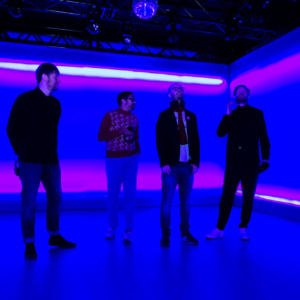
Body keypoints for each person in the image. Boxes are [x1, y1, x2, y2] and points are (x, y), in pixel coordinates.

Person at [7, 63, 76, 260]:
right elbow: (12, 128)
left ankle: (54, 235)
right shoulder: (25, 100)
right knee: (29, 202)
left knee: (56, 197)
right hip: (29, 161)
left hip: (51, 161)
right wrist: (20, 154)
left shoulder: (55, 105)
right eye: (57, 76)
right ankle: (29, 243)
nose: (59, 80)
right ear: (45, 77)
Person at [206, 84, 270, 241]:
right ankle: (219, 229)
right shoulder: (231, 115)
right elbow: (220, 133)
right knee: (227, 195)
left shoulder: (257, 113)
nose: (241, 94)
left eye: (243, 92)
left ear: (248, 95)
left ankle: (243, 227)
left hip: (251, 162)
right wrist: (227, 114)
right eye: (238, 92)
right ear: (235, 96)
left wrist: (266, 158)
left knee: (248, 196)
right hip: (233, 162)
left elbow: (264, 136)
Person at [156, 83, 200, 247]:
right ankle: (166, 234)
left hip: (188, 166)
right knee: (167, 202)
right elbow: (160, 141)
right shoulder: (164, 116)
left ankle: (185, 233)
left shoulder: (191, 116)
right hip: (171, 167)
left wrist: (196, 162)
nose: (178, 91)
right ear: (169, 95)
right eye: (174, 89)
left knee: (186, 202)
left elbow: (195, 140)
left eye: (180, 88)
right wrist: (164, 162)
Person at [98, 91, 140, 245]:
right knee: (113, 195)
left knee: (130, 195)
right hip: (114, 159)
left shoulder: (134, 118)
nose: (134, 101)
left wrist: (137, 153)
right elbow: (101, 136)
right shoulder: (110, 115)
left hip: (131, 159)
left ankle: (128, 230)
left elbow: (137, 137)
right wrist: (120, 131)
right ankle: (111, 227)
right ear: (123, 101)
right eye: (131, 99)